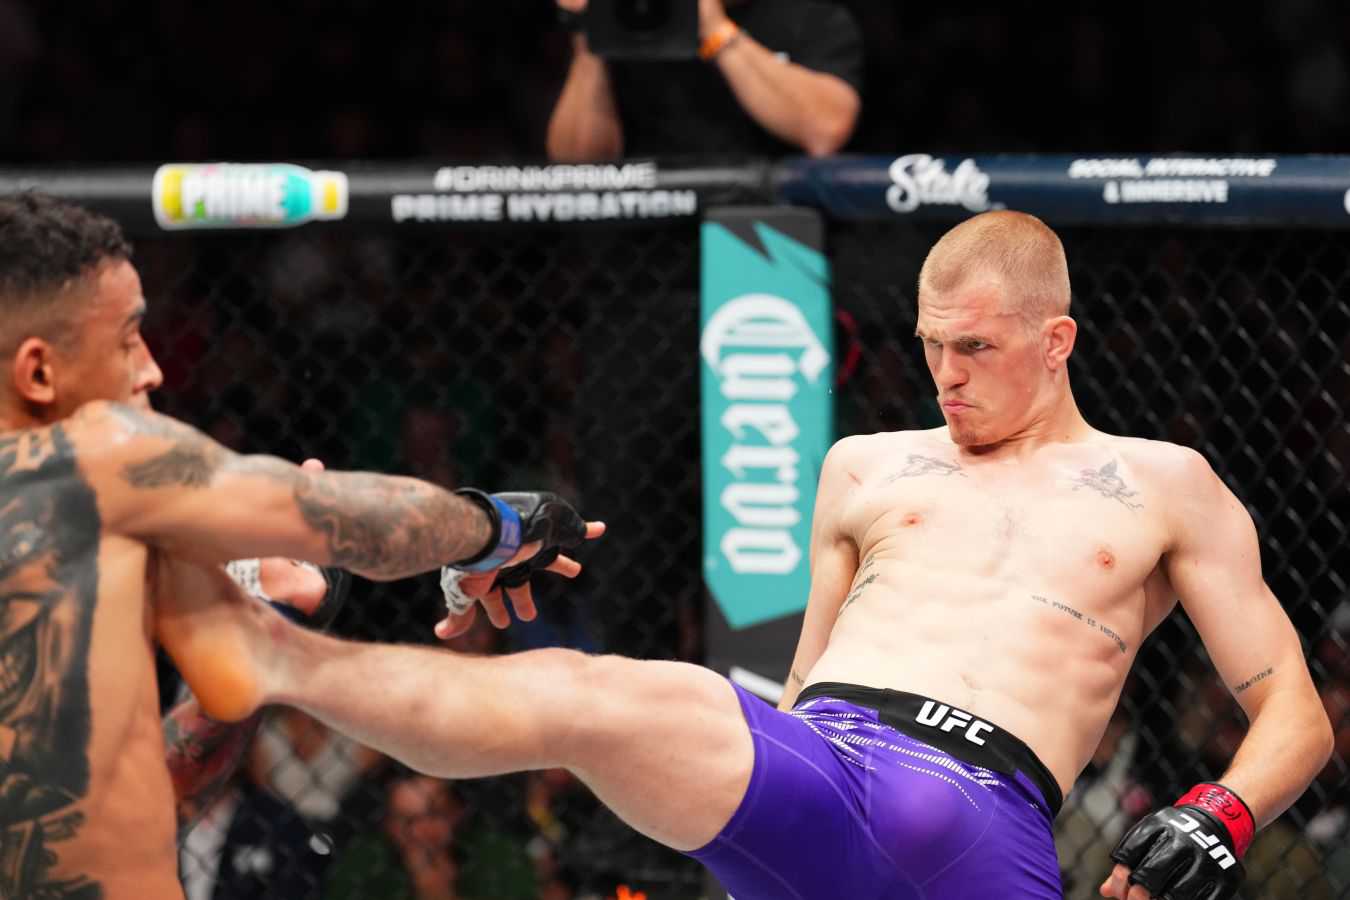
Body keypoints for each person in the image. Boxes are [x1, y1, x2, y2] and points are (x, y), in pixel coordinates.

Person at [161, 209, 1333, 900]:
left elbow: (1294, 705)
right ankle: (269, 652)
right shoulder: (868, 465)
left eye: (976, 348)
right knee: (596, 694)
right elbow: (806, 684)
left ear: (1058, 339)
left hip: (983, 814)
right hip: (826, 767)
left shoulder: (1162, 482)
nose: (947, 375)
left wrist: (1219, 815)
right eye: (932, 346)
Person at [0, 191, 597, 900]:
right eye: (127, 338)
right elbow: (350, 517)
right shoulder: (92, 459)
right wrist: (497, 527)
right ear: (39, 372)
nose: (152, 369)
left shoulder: (81, 549)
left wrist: (269, 618)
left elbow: (155, 794)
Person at [545, 0, 863, 161]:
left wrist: (716, 30)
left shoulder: (811, 18)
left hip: (776, 236)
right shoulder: (635, 17)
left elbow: (825, 129)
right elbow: (576, 163)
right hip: (651, 241)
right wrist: (592, 32)